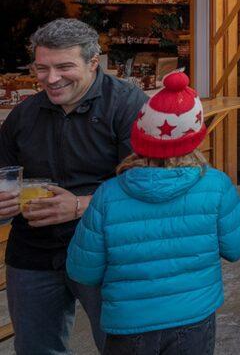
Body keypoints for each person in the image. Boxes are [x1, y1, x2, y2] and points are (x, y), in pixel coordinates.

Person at [66, 73, 240, 354]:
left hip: (128, 324)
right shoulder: (215, 186)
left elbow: (83, 269)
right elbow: (236, 247)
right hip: (194, 317)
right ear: (196, 138)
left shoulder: (108, 194)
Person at [0, 18, 148, 354]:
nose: (51, 79)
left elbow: (144, 186)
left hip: (108, 249)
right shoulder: (23, 115)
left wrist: (81, 205)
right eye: (42, 68)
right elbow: (4, 173)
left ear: (93, 62)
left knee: (121, 346)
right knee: (35, 349)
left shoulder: (127, 105)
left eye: (64, 67)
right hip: (33, 252)